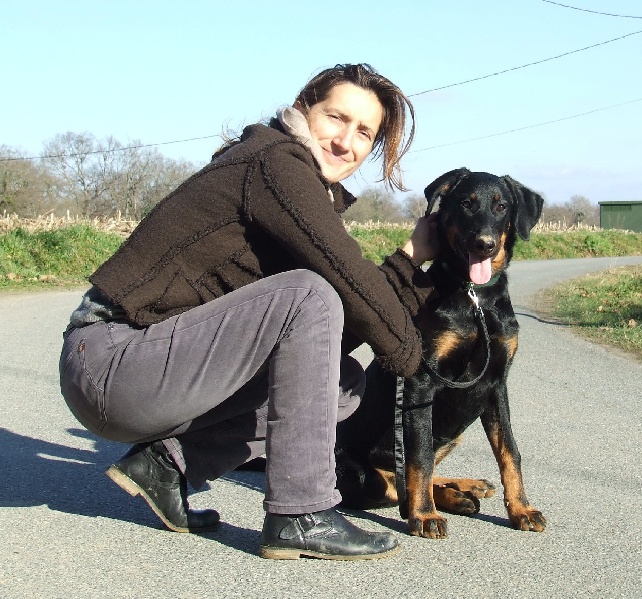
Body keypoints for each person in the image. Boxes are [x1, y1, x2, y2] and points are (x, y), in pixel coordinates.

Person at [59, 63, 438, 561]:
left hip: (147, 370)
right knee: (308, 292)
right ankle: (301, 512)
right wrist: (419, 364)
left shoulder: (301, 187)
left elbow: (337, 323)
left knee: (342, 381)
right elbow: (350, 285)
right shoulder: (274, 162)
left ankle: (168, 466)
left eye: (364, 131)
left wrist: (411, 258)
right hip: (112, 360)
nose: (346, 141)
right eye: (336, 118)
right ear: (305, 108)